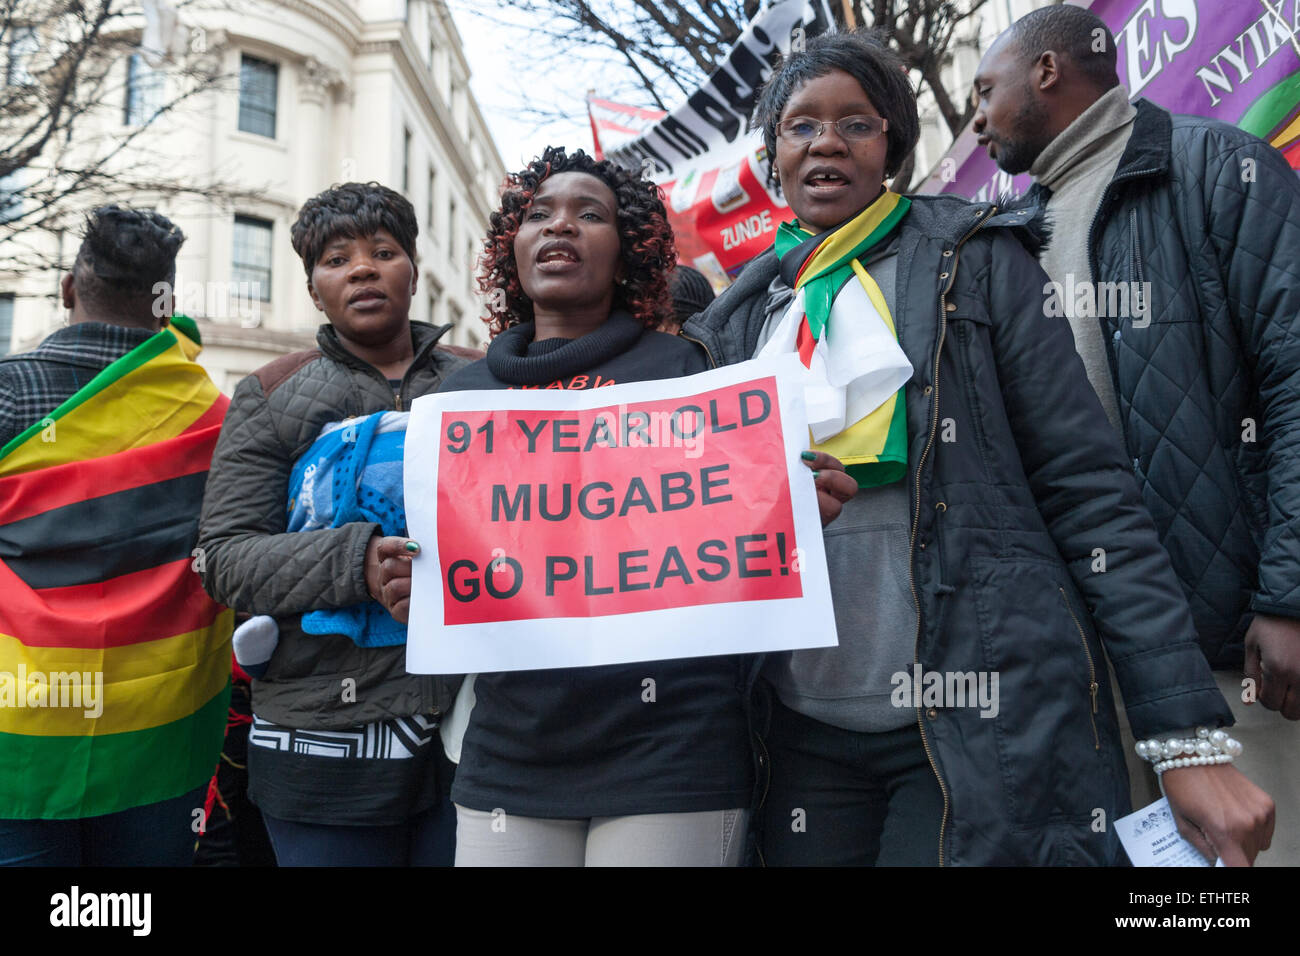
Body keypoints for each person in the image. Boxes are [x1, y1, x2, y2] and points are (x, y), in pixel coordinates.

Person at [682, 30, 1275, 866]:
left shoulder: (978, 259)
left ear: (891, 142)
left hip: (974, 722)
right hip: (794, 735)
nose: (825, 141)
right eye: (799, 126)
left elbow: (1089, 490)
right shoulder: (735, 321)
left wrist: (1184, 738)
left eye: (856, 123)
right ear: (774, 153)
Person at [378, 146, 806, 867]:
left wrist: (791, 511)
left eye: (590, 214)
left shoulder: (689, 376)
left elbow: (729, 545)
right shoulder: (457, 403)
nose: (560, 227)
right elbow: (457, 569)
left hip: (670, 750)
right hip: (511, 753)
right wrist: (410, 586)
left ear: (628, 250)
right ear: (511, 246)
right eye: (539, 213)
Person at [972, 5, 1300, 864]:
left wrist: (1288, 595)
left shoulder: (1217, 168)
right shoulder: (1008, 235)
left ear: (1046, 71)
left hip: (1232, 649)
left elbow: (1295, 384)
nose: (975, 119)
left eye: (983, 90)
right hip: (1089, 661)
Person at [195, 182, 477, 866]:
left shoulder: (485, 381)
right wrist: (356, 563)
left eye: (383, 252)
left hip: (475, 736)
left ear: (414, 268)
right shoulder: (267, 396)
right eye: (335, 259)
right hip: (324, 742)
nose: (361, 268)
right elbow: (224, 559)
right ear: (314, 288)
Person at [0, 206, 232, 865]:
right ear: (168, 303)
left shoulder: (9, 394)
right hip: (160, 740)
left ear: (71, 290)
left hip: (19, 739)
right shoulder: (213, 415)